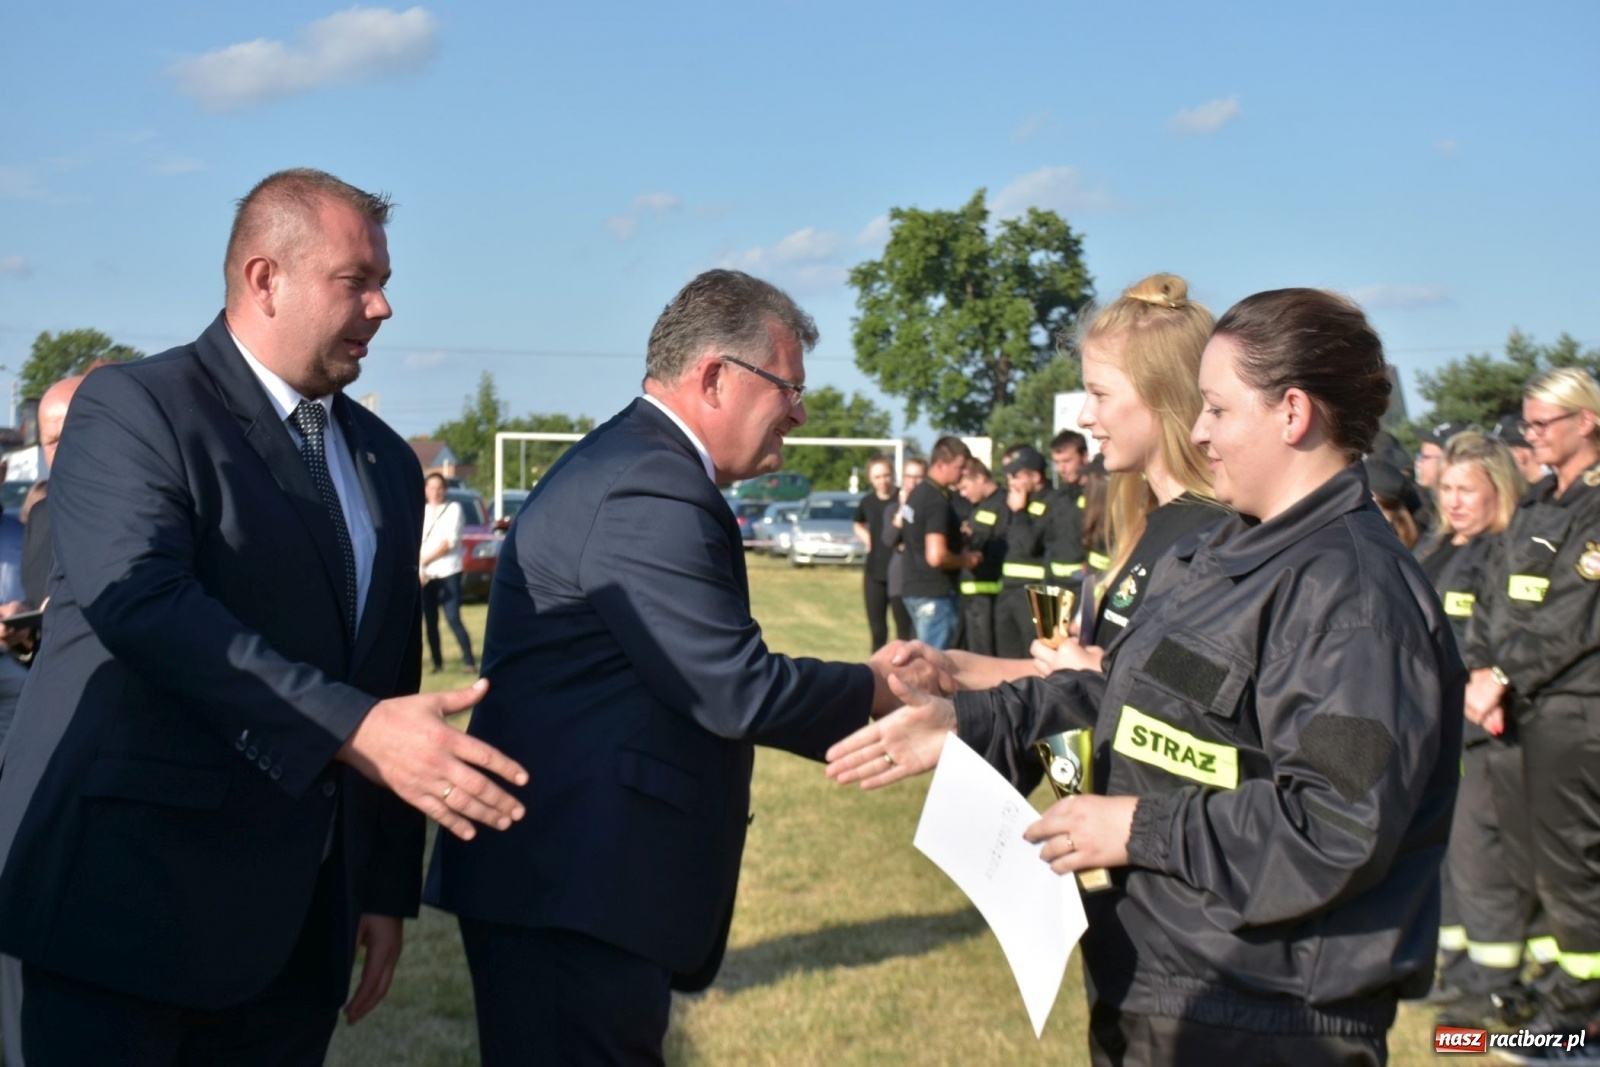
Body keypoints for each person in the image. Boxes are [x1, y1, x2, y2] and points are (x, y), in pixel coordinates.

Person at [831, 287, 1463, 1066]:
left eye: (1219, 410)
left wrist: (1134, 827)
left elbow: (1332, 830)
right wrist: (968, 723)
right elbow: (1117, 693)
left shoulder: (1355, 598)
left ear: (1293, 412)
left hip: (1265, 1016)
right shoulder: (1227, 556)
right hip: (1171, 987)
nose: (1199, 432)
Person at [0, 168, 530, 1066]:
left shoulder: (387, 464)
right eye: (357, 281)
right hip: (119, 914)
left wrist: (382, 887)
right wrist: (353, 727)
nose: (384, 307)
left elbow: (389, 675)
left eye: (386, 281)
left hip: (293, 938)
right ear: (263, 278)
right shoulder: (137, 408)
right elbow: (147, 603)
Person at [424, 269, 942, 1066]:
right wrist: (877, 685)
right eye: (789, 388)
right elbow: (732, 685)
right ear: (714, 377)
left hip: (575, 883)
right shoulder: (650, 481)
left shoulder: (641, 462)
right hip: (575, 887)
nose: (800, 414)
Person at [1464, 368, 1600, 1061]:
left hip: (1576, 708)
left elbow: (1573, 618)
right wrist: (1481, 668)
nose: (1532, 435)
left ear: (1588, 422)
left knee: (1570, 864)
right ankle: (1555, 989)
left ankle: (1582, 1017)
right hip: (1516, 705)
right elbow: (1496, 595)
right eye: (1527, 424)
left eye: (1545, 423)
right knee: (1530, 860)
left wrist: (1503, 674)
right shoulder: (1542, 502)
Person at [1410, 433, 1538, 1028]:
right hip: (1431, 727)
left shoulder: (1502, 551)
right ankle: (1457, 970)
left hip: (1480, 733)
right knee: (1446, 858)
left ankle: (1496, 989)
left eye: (1468, 490)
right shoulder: (1437, 547)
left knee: (1480, 859)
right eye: (1447, 490)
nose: (1454, 501)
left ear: (1499, 492)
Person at [897, 436, 982, 650]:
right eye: (960, 467)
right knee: (933, 666)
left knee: (920, 660)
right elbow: (936, 556)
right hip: (934, 596)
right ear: (941, 465)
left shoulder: (917, 494)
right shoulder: (936, 501)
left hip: (914, 589)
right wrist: (966, 560)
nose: (963, 472)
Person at [993, 445, 1054, 658]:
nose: (1011, 482)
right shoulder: (1016, 501)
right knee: (1006, 657)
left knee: (1030, 658)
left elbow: (1028, 545)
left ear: (1036, 476)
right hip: (1008, 591)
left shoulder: (1050, 502)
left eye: (1017, 476)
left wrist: (1019, 513)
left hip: (1031, 594)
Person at [420, 472, 477, 672]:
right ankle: (437, 664)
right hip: (426, 575)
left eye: (439, 488)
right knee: (430, 621)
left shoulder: (454, 509)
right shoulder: (422, 511)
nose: (435, 492)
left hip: (448, 571)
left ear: (445, 490)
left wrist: (424, 560)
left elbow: (449, 543)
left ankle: (469, 661)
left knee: (453, 617)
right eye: (431, 488)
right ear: (425, 490)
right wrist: (420, 567)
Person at [954, 458, 1007, 656]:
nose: (963, 493)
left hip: (989, 595)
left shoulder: (1004, 504)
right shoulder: (978, 506)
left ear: (981, 478)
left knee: (984, 654)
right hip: (970, 594)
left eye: (965, 487)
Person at [853, 454, 906, 651]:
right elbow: (857, 523)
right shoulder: (867, 502)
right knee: (878, 631)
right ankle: (877, 675)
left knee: (904, 632)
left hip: (900, 572)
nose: (883, 481)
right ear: (870, 479)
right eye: (877, 477)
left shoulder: (902, 498)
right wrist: (867, 539)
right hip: (875, 572)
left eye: (886, 475)